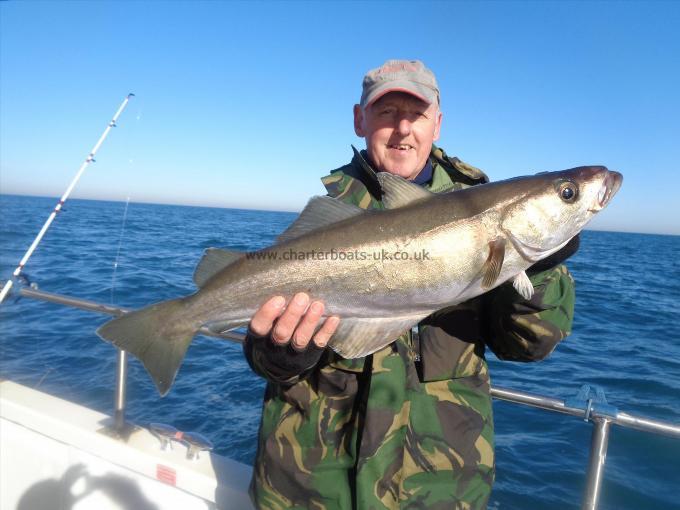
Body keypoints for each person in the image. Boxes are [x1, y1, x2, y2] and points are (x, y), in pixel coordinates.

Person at [243, 60, 576, 510]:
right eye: (385, 113)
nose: (402, 129)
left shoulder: (487, 211)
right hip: (310, 487)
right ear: (360, 120)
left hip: (438, 489)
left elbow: (530, 346)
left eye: (416, 114)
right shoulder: (326, 219)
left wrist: (538, 270)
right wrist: (279, 356)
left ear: (436, 124)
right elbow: (264, 356)